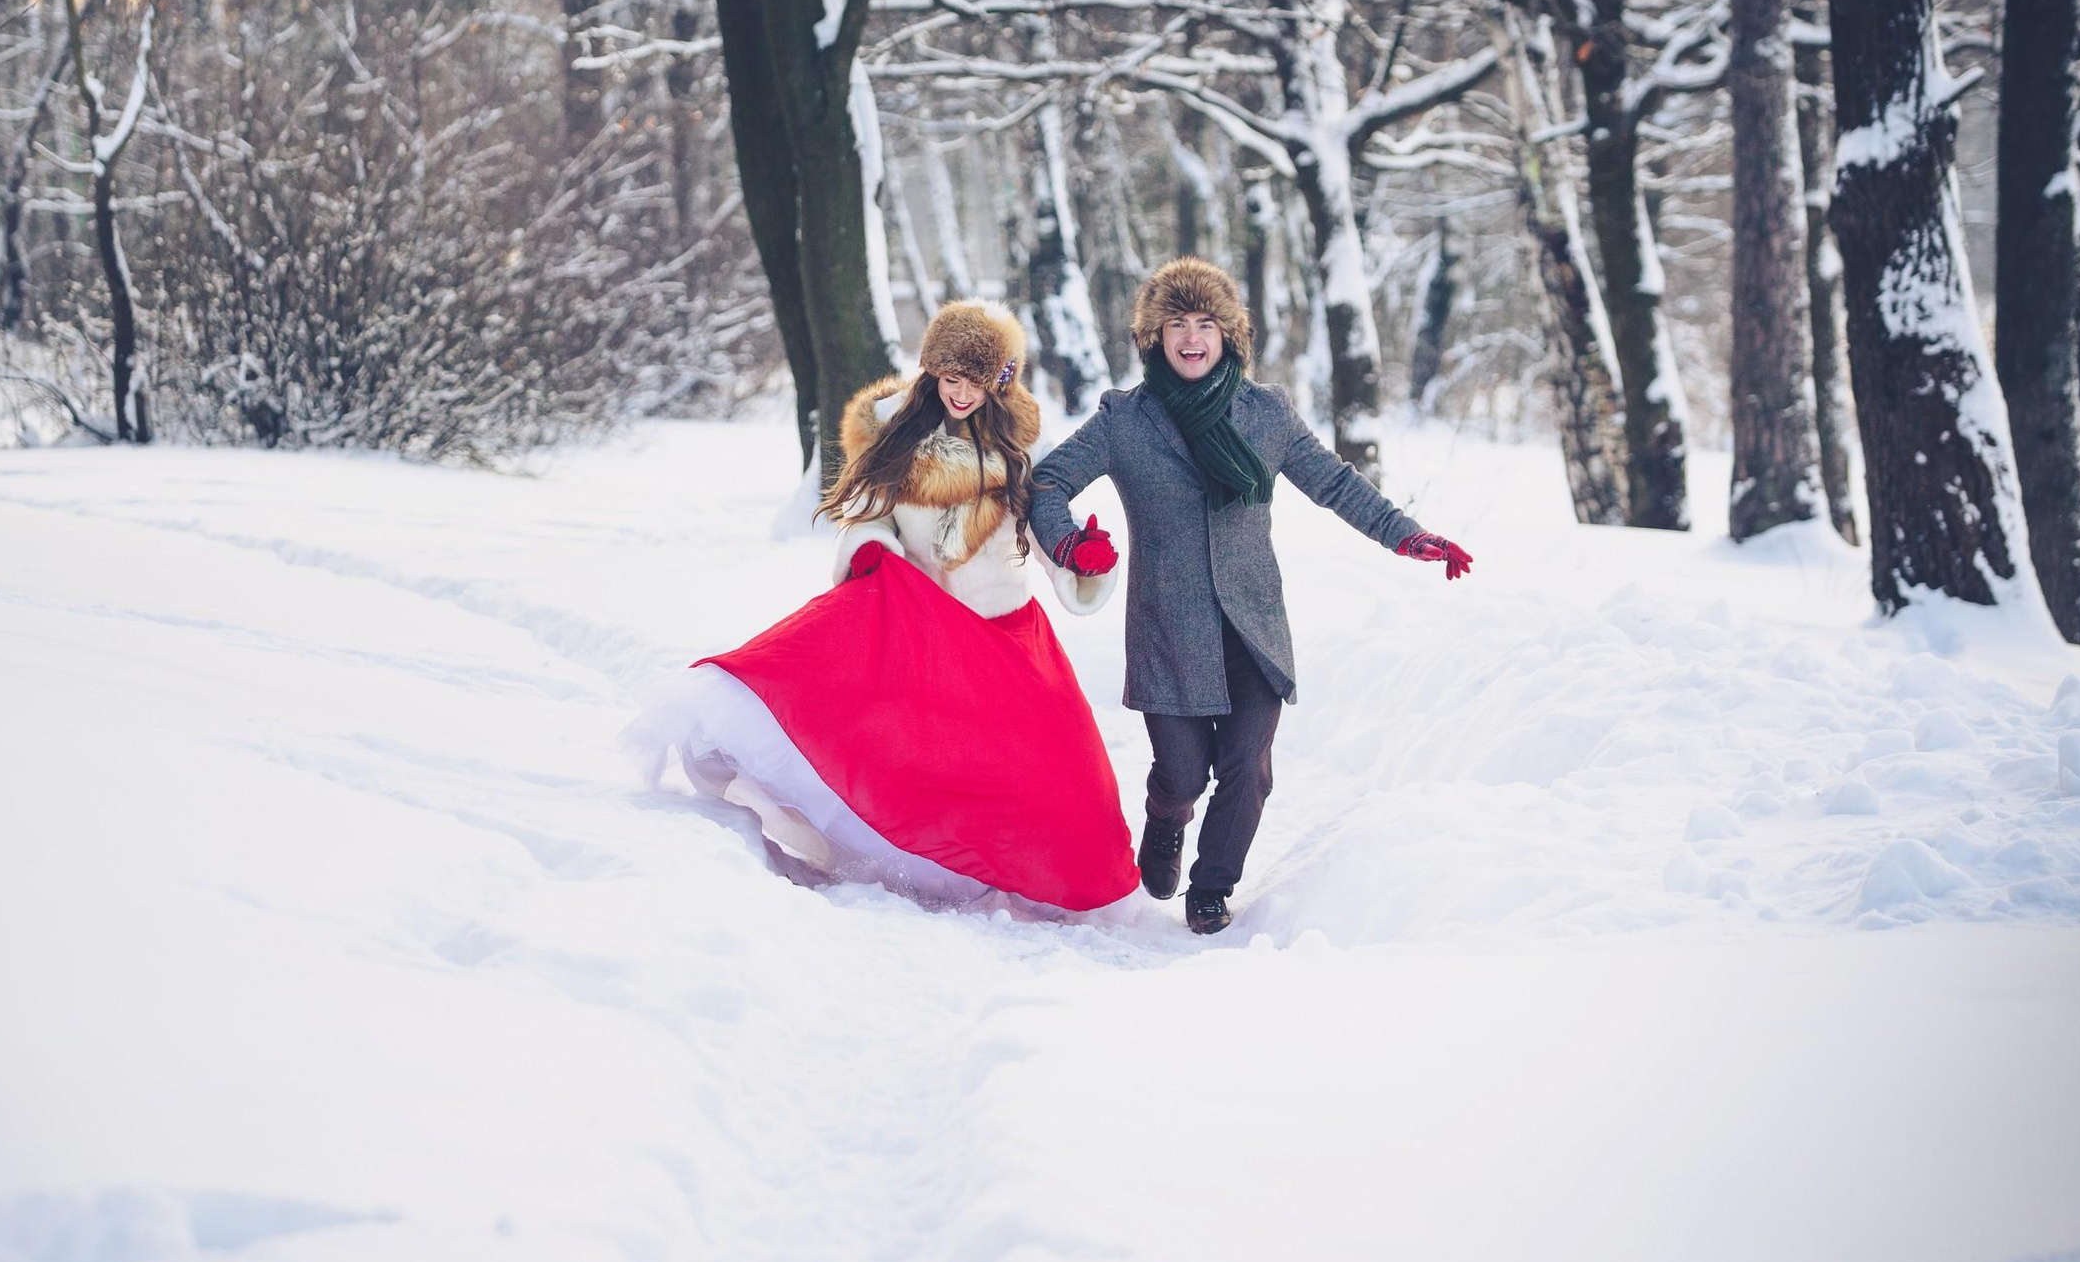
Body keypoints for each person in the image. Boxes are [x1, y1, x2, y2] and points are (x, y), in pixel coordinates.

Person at [629, 301, 1139, 912]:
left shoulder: (1018, 450)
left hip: (1004, 631)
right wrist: (878, 556)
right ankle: (925, 864)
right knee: (902, 751)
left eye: (975, 381)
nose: (961, 393)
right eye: (950, 377)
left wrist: (1080, 558)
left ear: (998, 383)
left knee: (1066, 771)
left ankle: (1051, 877)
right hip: (920, 625)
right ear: (931, 373)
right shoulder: (897, 440)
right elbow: (866, 521)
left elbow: (1038, 528)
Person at [1030, 258, 1473, 935]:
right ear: (1154, 337)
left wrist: (1407, 536)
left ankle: (1213, 885)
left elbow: (1336, 483)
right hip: (1168, 629)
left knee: (1248, 769)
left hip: (1253, 626)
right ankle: (1167, 816)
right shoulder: (1127, 420)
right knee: (1182, 773)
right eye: (1176, 324)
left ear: (1230, 336)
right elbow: (1048, 483)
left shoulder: (1265, 415)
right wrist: (1070, 548)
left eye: (1206, 324)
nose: (1191, 339)